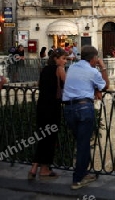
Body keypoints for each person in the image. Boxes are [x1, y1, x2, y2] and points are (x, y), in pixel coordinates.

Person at [62, 46, 109, 190]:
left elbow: (80, 83)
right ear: (93, 58)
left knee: (82, 142)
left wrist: (93, 89)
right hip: (84, 109)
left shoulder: (71, 68)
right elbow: (106, 86)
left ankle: (84, 172)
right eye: (97, 58)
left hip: (69, 109)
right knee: (83, 144)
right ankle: (77, 180)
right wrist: (103, 68)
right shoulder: (93, 71)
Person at [28, 48, 68, 180]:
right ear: (56, 59)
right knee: (50, 138)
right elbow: (67, 85)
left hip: (42, 106)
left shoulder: (45, 69)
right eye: (63, 58)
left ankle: (34, 167)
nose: (65, 61)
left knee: (42, 136)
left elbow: (40, 84)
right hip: (52, 107)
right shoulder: (59, 69)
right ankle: (44, 169)